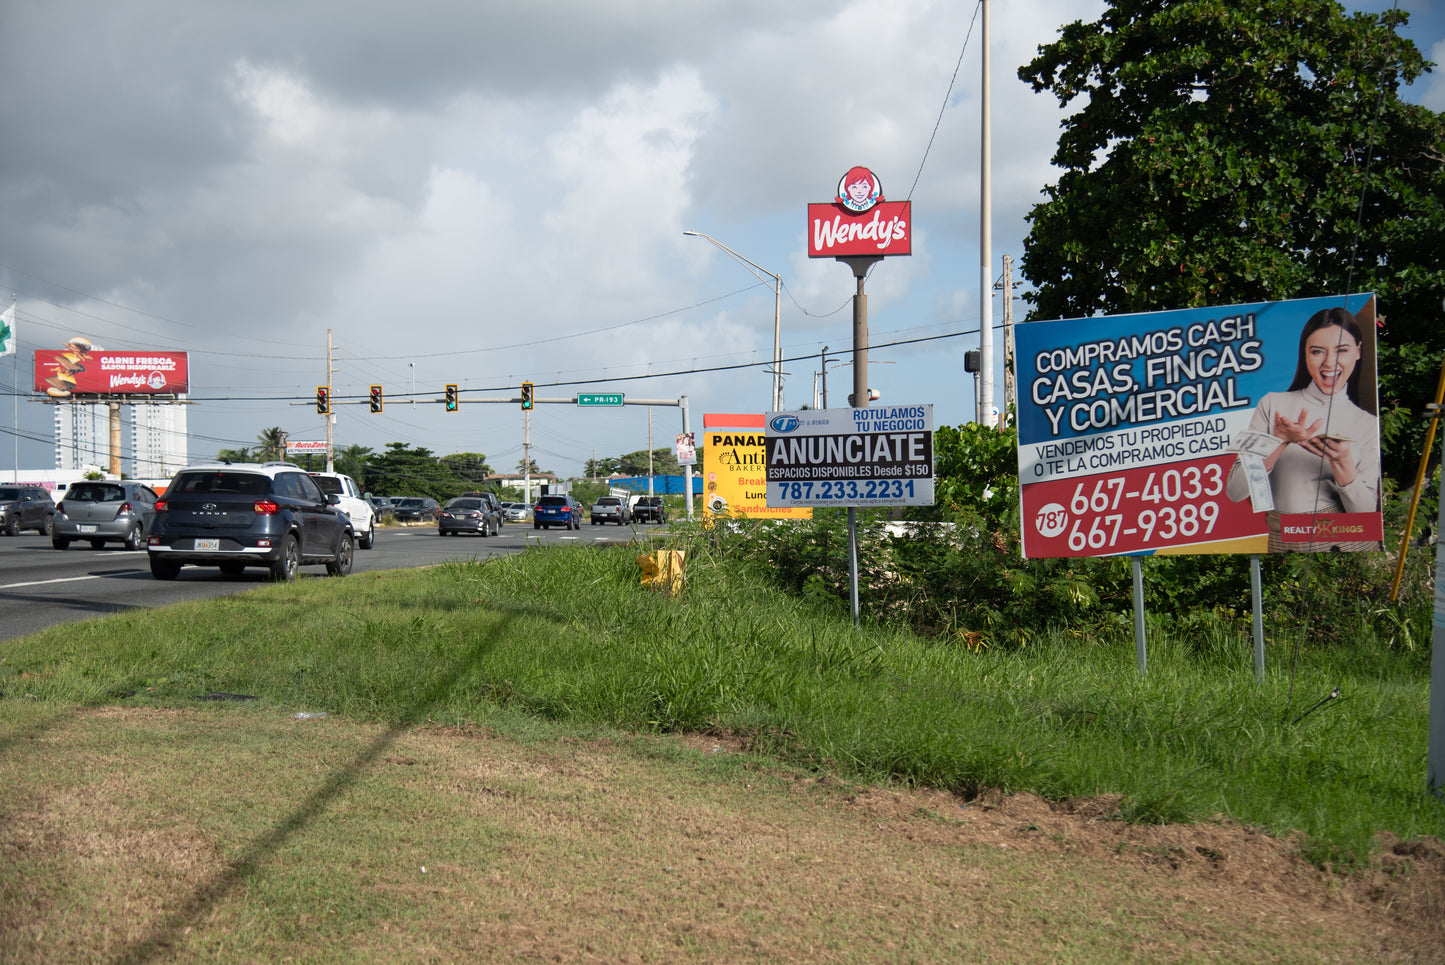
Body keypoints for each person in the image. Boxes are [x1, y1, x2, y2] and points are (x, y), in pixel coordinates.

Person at [1225, 306, 1379, 515]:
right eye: (1317, 351)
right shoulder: (1271, 404)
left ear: (1358, 351)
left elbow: (1366, 516)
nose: (1329, 362)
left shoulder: (1367, 423)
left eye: (1342, 350)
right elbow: (1235, 491)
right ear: (1304, 354)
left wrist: (1344, 466)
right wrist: (1278, 441)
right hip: (1281, 532)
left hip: (1338, 533)